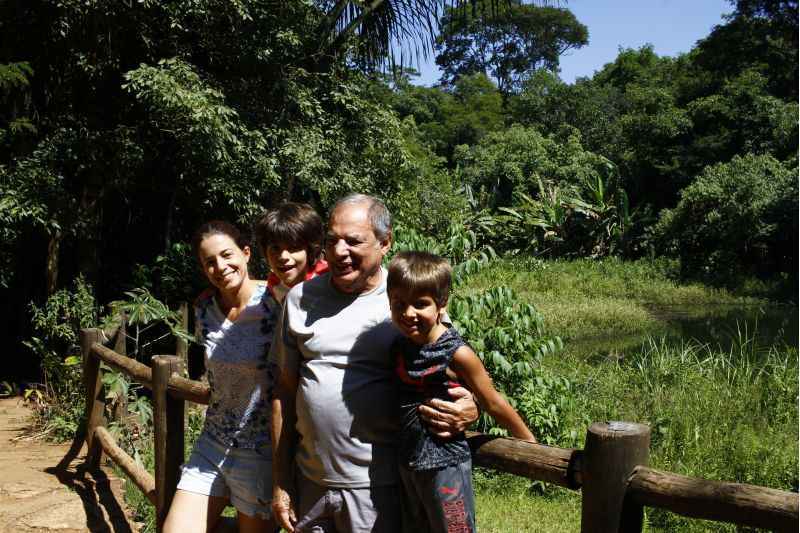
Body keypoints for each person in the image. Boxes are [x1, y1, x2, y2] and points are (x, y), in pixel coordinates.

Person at [271, 194, 479, 533]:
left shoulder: (407, 302)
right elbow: (283, 392)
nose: (339, 252)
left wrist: (473, 407)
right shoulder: (300, 299)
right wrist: (280, 482)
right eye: (331, 241)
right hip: (309, 480)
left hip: (378, 487)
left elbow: (455, 371)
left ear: (385, 243)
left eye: (353, 241)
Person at [164, 209, 325, 533]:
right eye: (210, 262)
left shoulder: (279, 300)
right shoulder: (204, 309)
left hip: (262, 453)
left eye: (227, 255)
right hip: (212, 442)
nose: (220, 267)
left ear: (247, 253)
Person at [387, 251, 537, 533]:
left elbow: (492, 401)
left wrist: (529, 442)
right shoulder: (401, 345)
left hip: (446, 465)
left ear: (441, 304)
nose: (408, 313)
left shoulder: (457, 353)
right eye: (399, 304)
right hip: (408, 463)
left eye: (420, 304)